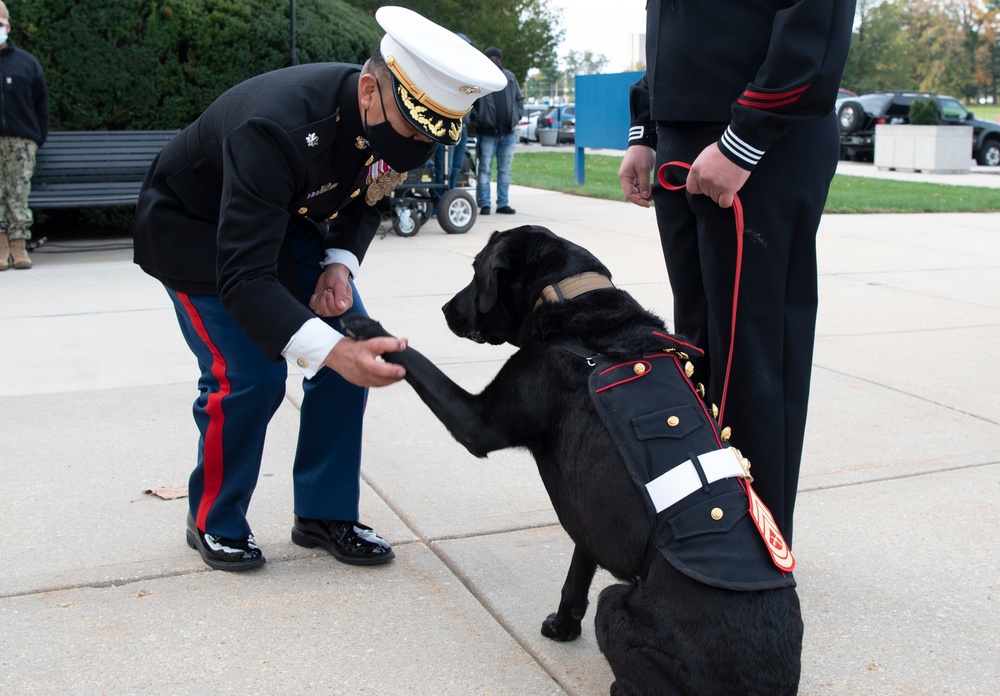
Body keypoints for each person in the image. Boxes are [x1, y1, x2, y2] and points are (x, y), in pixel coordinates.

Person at [132, 6, 506, 572]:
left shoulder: (407, 118)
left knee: (355, 344)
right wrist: (329, 350)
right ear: (368, 91)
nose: (414, 146)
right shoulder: (275, 127)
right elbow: (244, 276)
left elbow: (369, 193)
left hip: (284, 224)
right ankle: (213, 518)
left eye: (430, 135)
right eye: (408, 130)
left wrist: (340, 265)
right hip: (196, 235)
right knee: (250, 378)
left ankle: (324, 513)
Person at [618, 0, 856, 545]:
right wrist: (647, 129)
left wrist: (745, 137)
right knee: (699, 348)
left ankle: (753, 547)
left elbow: (815, 19)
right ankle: (709, 522)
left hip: (758, 138)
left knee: (754, 355)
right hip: (686, 133)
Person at [0, 0, 48, 271]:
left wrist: (37, 138)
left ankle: (19, 246)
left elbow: (42, 104)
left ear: (8, 25)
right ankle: (1, 245)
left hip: (21, 142)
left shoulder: (26, 63)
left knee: (18, 193)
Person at [470, 46, 523, 215]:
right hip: (487, 134)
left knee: (505, 170)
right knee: (484, 169)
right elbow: (472, 102)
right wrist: (479, 119)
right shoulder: (480, 79)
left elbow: (519, 99)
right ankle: (485, 203)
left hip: (507, 133)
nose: (494, 61)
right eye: (490, 58)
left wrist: (516, 116)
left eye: (497, 58)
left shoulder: (510, 78)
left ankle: (503, 203)